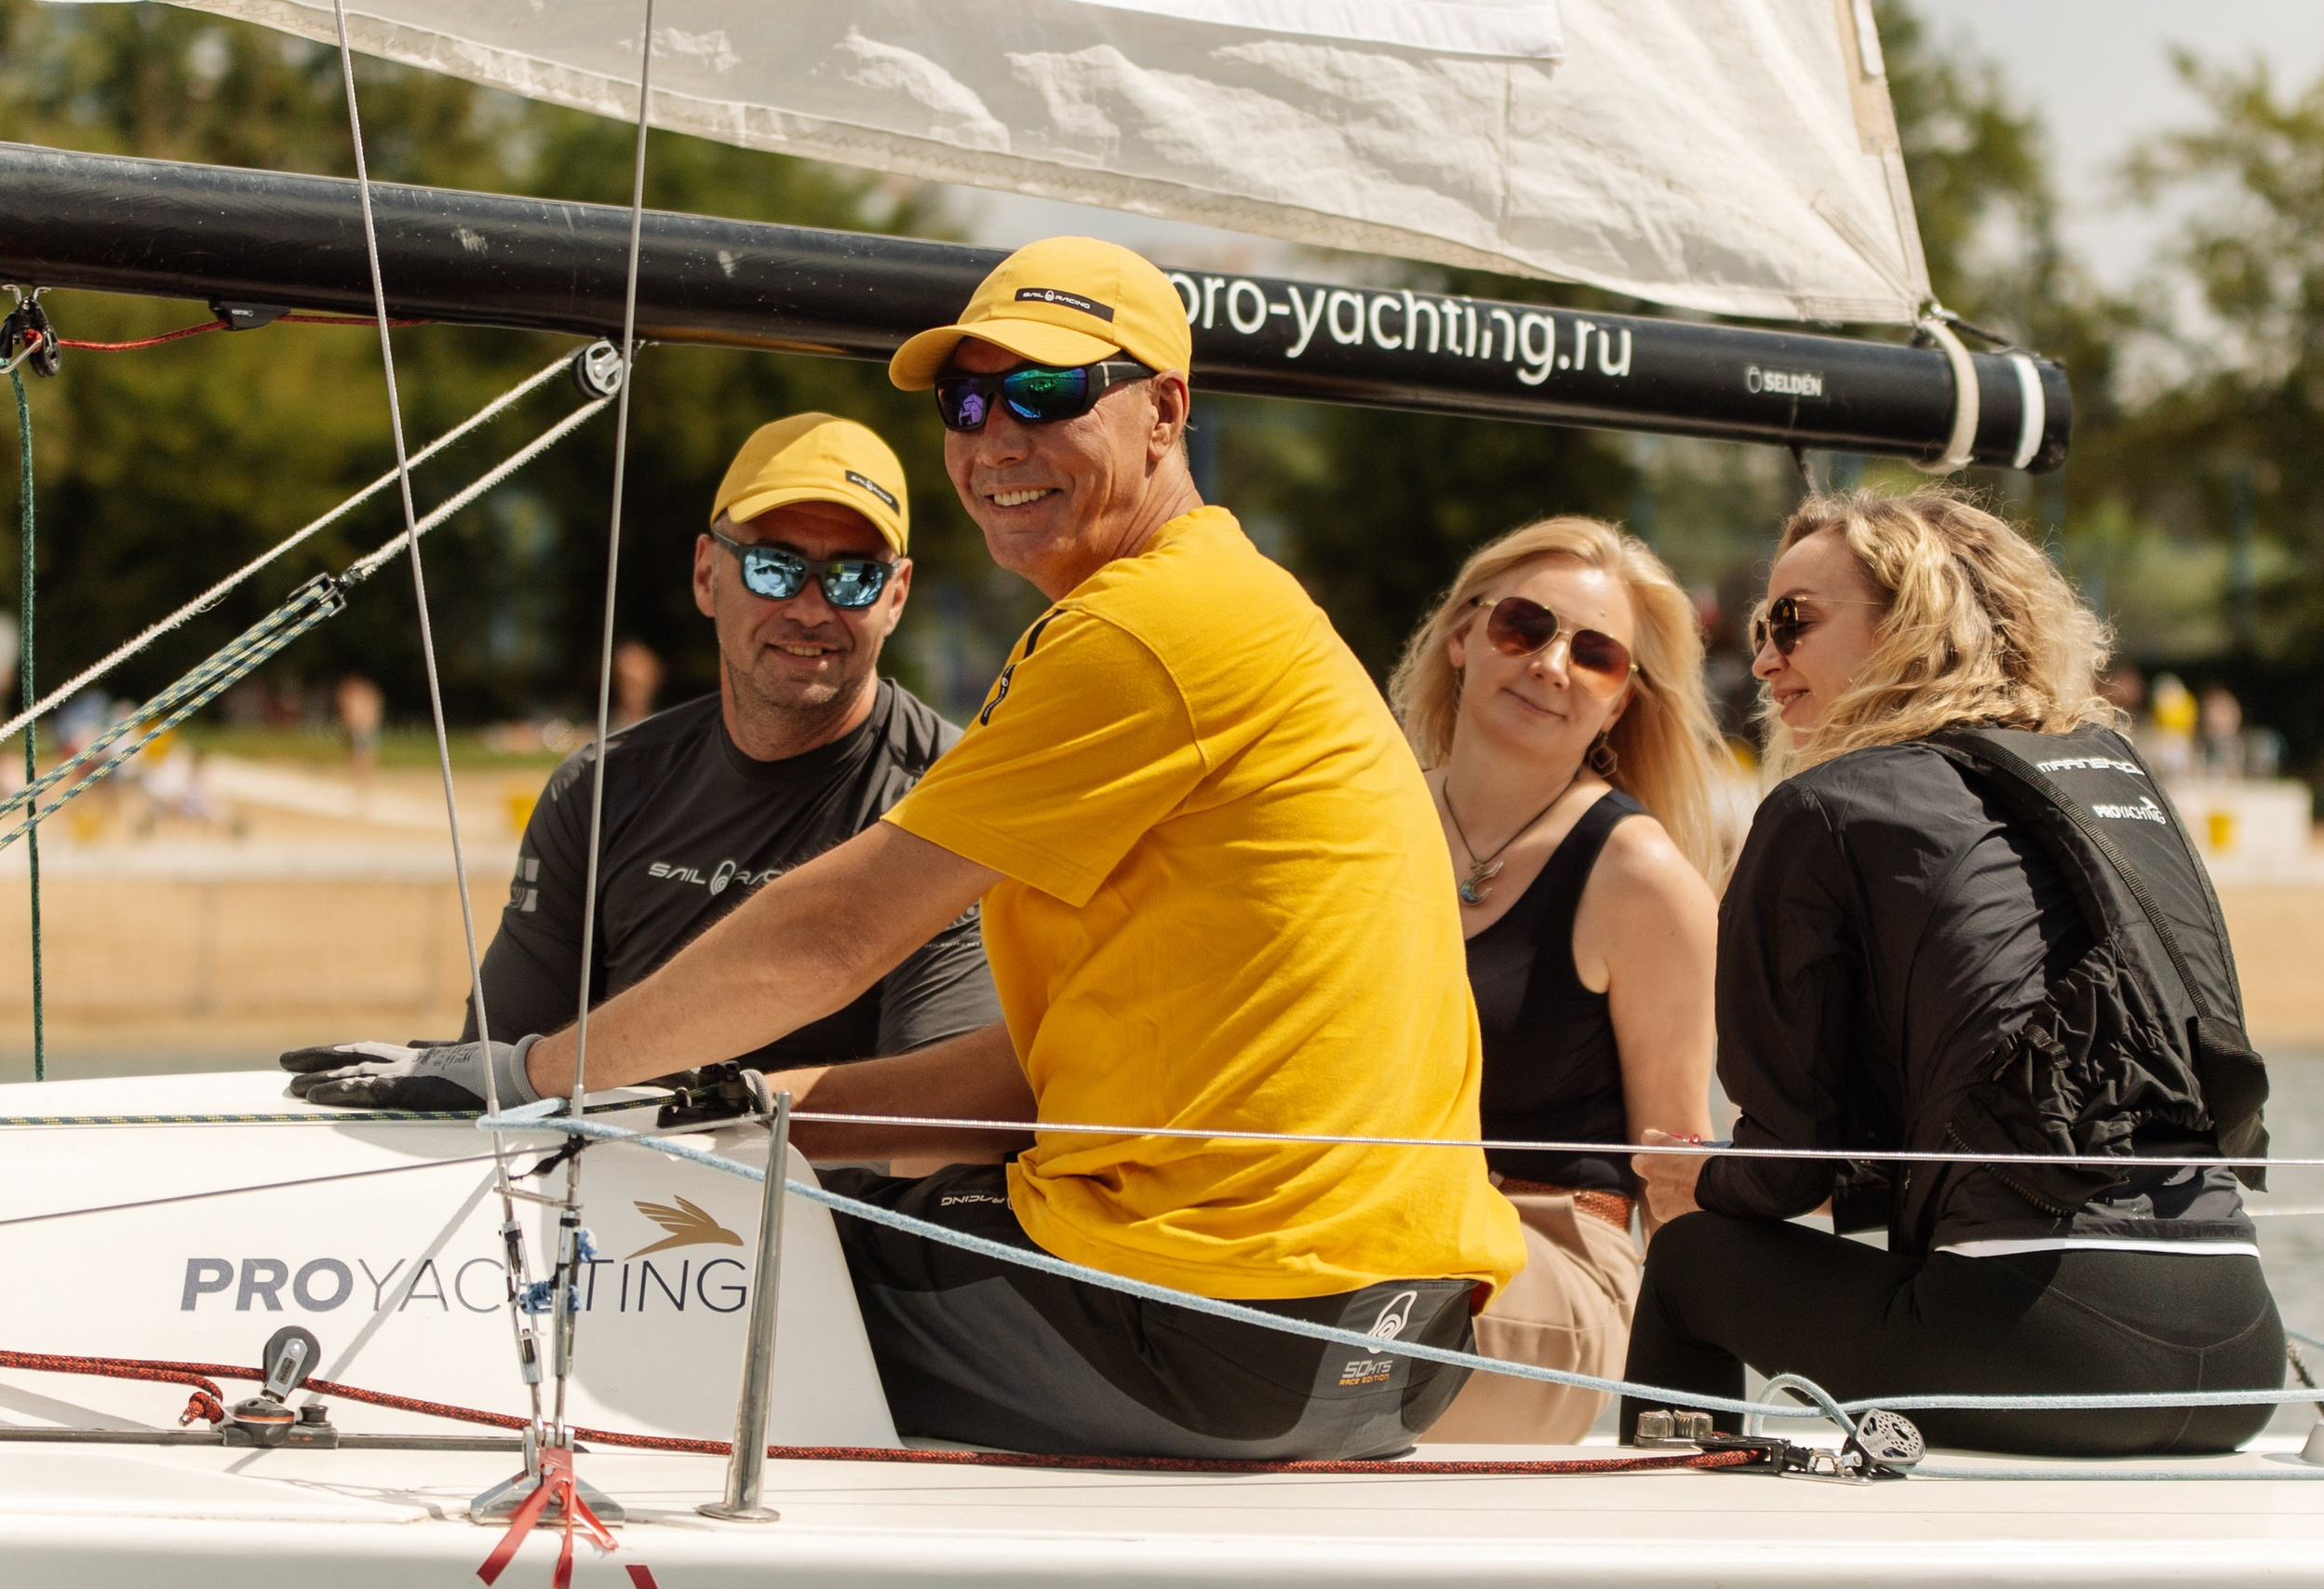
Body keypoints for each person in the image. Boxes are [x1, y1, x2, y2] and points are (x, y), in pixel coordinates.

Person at [288, 236, 1525, 1461]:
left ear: (1167, 411)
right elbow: (1058, 1072)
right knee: (743, 1217)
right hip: (1391, 1350)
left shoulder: (1142, 631)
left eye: (1046, 391)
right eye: (966, 400)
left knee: (673, 1268)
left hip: (1218, 1327)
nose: (995, 439)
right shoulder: (1247, 608)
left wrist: (538, 1068)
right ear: (709, 574)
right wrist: (751, 1107)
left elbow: (836, 930)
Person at [1621, 489, 2283, 1458]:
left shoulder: (1824, 807)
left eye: (1791, 621)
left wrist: (1701, 1179)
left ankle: (1668, 1532)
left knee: (1690, 1259)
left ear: (1913, 620)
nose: (1763, 658)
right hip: (2238, 1351)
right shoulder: (2112, 785)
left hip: (2035, 1344)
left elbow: (1797, 1159)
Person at [287, 412, 999, 1076]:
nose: (811, 608)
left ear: (896, 596)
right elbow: (495, 1071)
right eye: (773, 567)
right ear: (705, 574)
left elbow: (931, 1135)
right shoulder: (600, 790)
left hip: (836, 1211)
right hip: (611, 1202)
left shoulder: (959, 803)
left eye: (854, 577)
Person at [1386, 518, 1722, 1445]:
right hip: (1369, 1220)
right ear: (1461, 635)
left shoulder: (1641, 877)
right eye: (1522, 627)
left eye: (1597, 654)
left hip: (1551, 1265)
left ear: (1620, 702)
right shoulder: (1368, 823)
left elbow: (1675, 1174)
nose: (1550, 664)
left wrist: (1685, 1423)